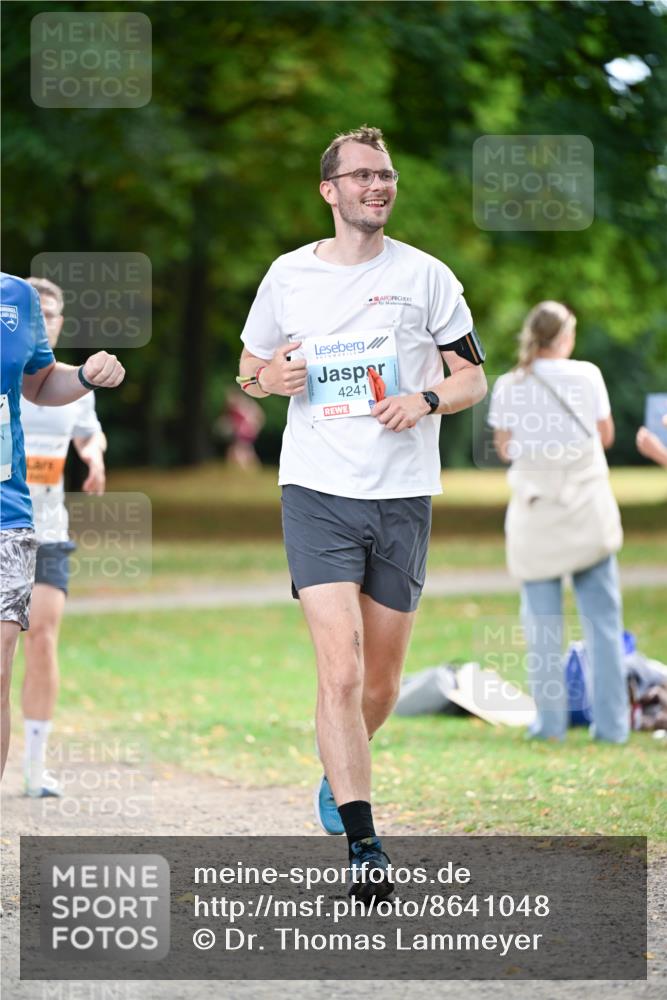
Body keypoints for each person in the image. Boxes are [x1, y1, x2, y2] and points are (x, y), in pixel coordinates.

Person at [237, 126, 487, 900]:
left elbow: (473, 377)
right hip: (315, 492)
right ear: (329, 190)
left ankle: (334, 769)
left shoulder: (427, 277)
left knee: (378, 685)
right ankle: (364, 841)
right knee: (338, 672)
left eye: (387, 176)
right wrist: (268, 379)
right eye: (363, 176)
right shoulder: (287, 276)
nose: (378, 186)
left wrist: (426, 398)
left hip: (402, 497)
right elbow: (249, 370)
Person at [0, 272, 124, 780]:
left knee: (15, 656)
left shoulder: (16, 298)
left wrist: (86, 376)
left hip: (11, 516)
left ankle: (33, 764)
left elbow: (40, 382)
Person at [488, 300, 628, 744]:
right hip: (587, 512)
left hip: (536, 514)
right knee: (603, 623)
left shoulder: (511, 384)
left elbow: (504, 446)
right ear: (565, 337)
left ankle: (549, 725)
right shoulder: (588, 375)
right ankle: (612, 727)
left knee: (541, 625)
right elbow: (604, 436)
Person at [20, 277, 108, 797]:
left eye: (52, 314)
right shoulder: (9, 373)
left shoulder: (70, 383)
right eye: (35, 314)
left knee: (44, 637)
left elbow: (89, 430)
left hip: (49, 530)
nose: (45, 321)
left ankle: (35, 767)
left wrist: (93, 455)